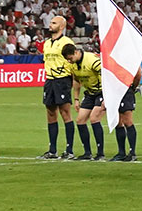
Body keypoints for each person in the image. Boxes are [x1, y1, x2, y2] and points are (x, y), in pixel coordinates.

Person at [38, 15, 76, 159]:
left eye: (54, 23)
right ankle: (52, 150)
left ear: (62, 26)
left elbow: (72, 62)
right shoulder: (47, 43)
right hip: (49, 81)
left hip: (62, 80)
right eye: (50, 22)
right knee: (50, 113)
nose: (50, 25)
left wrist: (71, 82)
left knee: (65, 113)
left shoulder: (67, 42)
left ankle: (69, 150)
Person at [64, 43, 106, 160]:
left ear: (76, 52)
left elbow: (106, 76)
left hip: (102, 92)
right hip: (90, 93)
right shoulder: (73, 65)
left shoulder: (92, 60)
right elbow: (76, 81)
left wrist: (107, 96)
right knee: (80, 120)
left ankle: (100, 153)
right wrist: (76, 99)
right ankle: (87, 153)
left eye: (70, 58)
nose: (69, 61)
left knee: (94, 118)